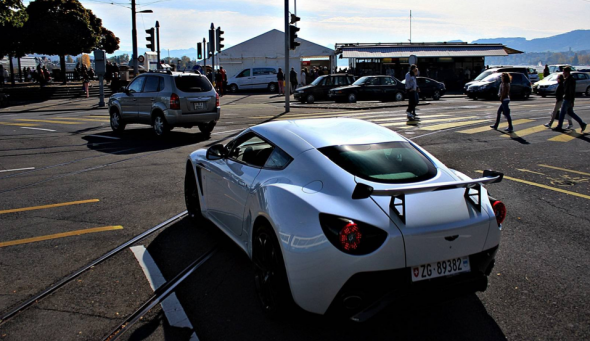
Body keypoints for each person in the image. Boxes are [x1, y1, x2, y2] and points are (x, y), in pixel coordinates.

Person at [553, 67, 587, 132]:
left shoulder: (571, 80)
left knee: (562, 113)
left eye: (564, 72)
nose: (563, 73)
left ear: (567, 72)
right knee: (571, 113)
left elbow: (572, 91)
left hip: (567, 99)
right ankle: (582, 124)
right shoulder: (568, 79)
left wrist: (572, 101)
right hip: (567, 98)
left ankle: (559, 126)